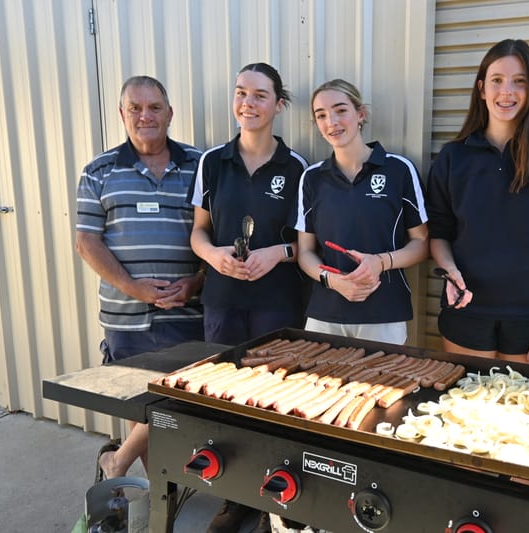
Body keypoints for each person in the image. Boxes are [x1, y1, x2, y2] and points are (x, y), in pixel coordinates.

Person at [189, 62, 307, 533]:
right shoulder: (212, 162)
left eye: (260, 95)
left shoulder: (297, 167)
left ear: (278, 105)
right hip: (222, 300)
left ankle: (270, 504)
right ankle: (232, 496)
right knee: (225, 399)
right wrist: (214, 255)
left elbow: (307, 244)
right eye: (241, 93)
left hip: (278, 303)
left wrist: (276, 253)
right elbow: (198, 233)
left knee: (274, 400)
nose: (247, 103)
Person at [426, 39, 529, 365]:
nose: (507, 92)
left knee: (520, 412)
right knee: (468, 410)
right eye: (497, 80)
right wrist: (450, 270)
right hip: (467, 310)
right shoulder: (453, 157)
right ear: (481, 89)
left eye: (519, 82)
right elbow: (440, 234)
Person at [75, 76, 205, 481]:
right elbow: (87, 242)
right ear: (122, 114)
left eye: (154, 107)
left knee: (180, 405)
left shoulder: (201, 167)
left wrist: (196, 282)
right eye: (135, 107)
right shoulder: (99, 171)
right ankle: (157, 493)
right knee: (140, 407)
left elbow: (215, 236)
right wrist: (136, 289)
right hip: (126, 318)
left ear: (170, 113)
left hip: (189, 314)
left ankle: (119, 463)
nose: (145, 115)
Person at [295, 78, 429, 345]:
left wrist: (380, 262)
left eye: (340, 110)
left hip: (383, 313)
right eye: (321, 115)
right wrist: (333, 281)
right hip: (326, 315)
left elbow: (422, 244)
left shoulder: (399, 170)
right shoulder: (311, 178)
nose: (331, 121)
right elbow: (306, 252)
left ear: (360, 114)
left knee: (380, 388)